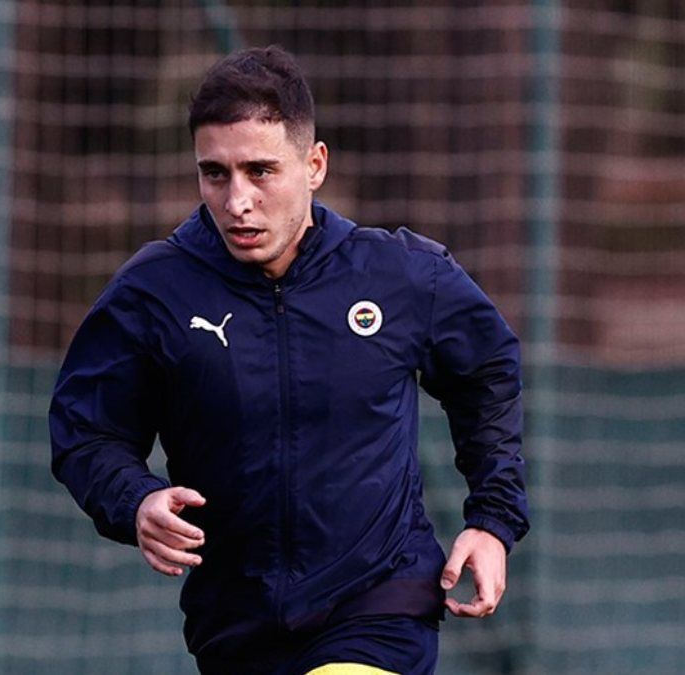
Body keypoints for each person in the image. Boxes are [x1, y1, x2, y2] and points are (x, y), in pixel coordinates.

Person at [48, 46, 528, 674]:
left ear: (314, 164)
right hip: (235, 626)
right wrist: (135, 499)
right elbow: (87, 431)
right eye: (215, 173)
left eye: (261, 171)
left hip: (379, 604)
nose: (237, 200)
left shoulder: (402, 276)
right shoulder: (154, 292)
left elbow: (487, 374)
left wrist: (492, 520)